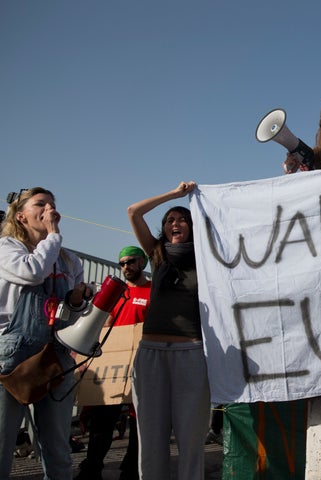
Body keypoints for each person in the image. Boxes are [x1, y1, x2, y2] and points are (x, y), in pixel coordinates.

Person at [0, 187, 92, 480]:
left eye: (52, 204)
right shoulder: (7, 248)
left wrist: (77, 301)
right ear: (21, 215)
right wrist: (52, 236)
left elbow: (74, 316)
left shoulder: (69, 261)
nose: (49, 209)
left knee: (57, 447)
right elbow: (32, 272)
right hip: (13, 354)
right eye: (40, 204)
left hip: (56, 353)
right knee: (2, 442)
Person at [127, 182, 210, 480]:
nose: (176, 223)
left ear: (192, 226)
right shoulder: (155, 253)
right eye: (170, 220)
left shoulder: (206, 257)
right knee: (150, 439)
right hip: (150, 355)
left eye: (182, 219)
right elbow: (134, 212)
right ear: (164, 229)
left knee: (190, 439)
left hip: (191, 354)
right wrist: (173, 196)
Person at [75, 246, 151, 480]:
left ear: (142, 263)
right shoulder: (116, 292)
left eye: (131, 261)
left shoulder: (153, 292)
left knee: (139, 421)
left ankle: (130, 471)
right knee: (102, 418)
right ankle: (92, 468)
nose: (126, 267)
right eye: (122, 263)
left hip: (141, 361)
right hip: (115, 361)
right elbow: (103, 322)